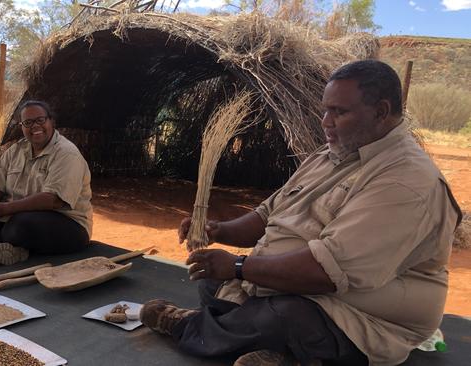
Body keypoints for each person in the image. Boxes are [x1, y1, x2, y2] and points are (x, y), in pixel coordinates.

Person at [139, 60, 462, 366]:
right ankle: (288, 354)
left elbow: (326, 273)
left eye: (339, 112)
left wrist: (239, 266)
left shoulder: (405, 181)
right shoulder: (330, 156)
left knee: (281, 317)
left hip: (363, 310)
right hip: (295, 286)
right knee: (211, 284)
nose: (326, 122)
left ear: (381, 112)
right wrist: (219, 231)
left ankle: (189, 325)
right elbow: (267, 215)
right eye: (325, 110)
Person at [0, 100, 93, 265]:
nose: (35, 126)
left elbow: (53, 200)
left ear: (52, 122)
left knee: (20, 226)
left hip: (68, 225)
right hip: (15, 215)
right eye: (28, 122)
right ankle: (9, 246)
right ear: (22, 127)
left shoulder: (66, 154)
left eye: (40, 120)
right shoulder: (16, 150)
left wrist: (4, 209)